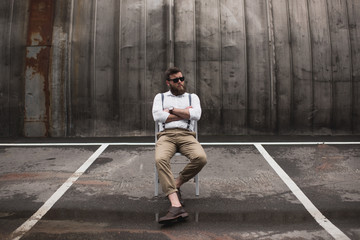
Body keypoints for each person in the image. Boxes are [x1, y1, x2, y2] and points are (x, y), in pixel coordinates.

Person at [152, 67, 207, 224]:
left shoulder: (192, 97)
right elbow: (157, 116)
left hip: (187, 136)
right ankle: (176, 205)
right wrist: (184, 113)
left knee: (201, 158)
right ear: (168, 82)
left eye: (182, 79)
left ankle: (175, 184)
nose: (180, 82)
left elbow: (196, 115)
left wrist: (170, 111)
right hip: (166, 136)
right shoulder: (160, 97)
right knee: (160, 159)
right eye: (176, 80)